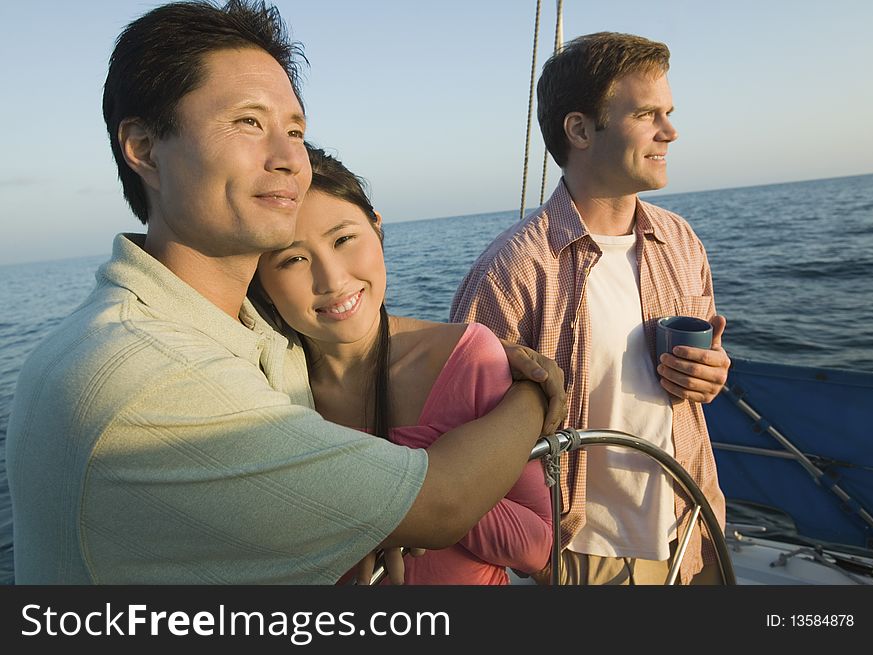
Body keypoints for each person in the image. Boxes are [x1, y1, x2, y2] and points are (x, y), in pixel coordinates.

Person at [5, 0, 565, 585]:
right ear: (144, 149)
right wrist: (530, 396)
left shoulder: (251, 336)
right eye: (248, 122)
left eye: (295, 130)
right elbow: (440, 507)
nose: (288, 159)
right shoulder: (151, 373)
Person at [451, 32, 730, 585]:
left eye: (668, 112)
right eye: (648, 114)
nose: (670, 131)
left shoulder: (682, 242)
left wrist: (711, 375)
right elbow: (457, 432)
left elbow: (702, 382)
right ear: (579, 130)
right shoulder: (511, 270)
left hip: (696, 526)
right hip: (585, 551)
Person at [250, 145, 553, 584]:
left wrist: (407, 503)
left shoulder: (468, 360)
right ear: (260, 279)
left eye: (343, 239)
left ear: (376, 226)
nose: (332, 280)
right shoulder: (263, 385)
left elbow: (538, 546)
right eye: (293, 259)